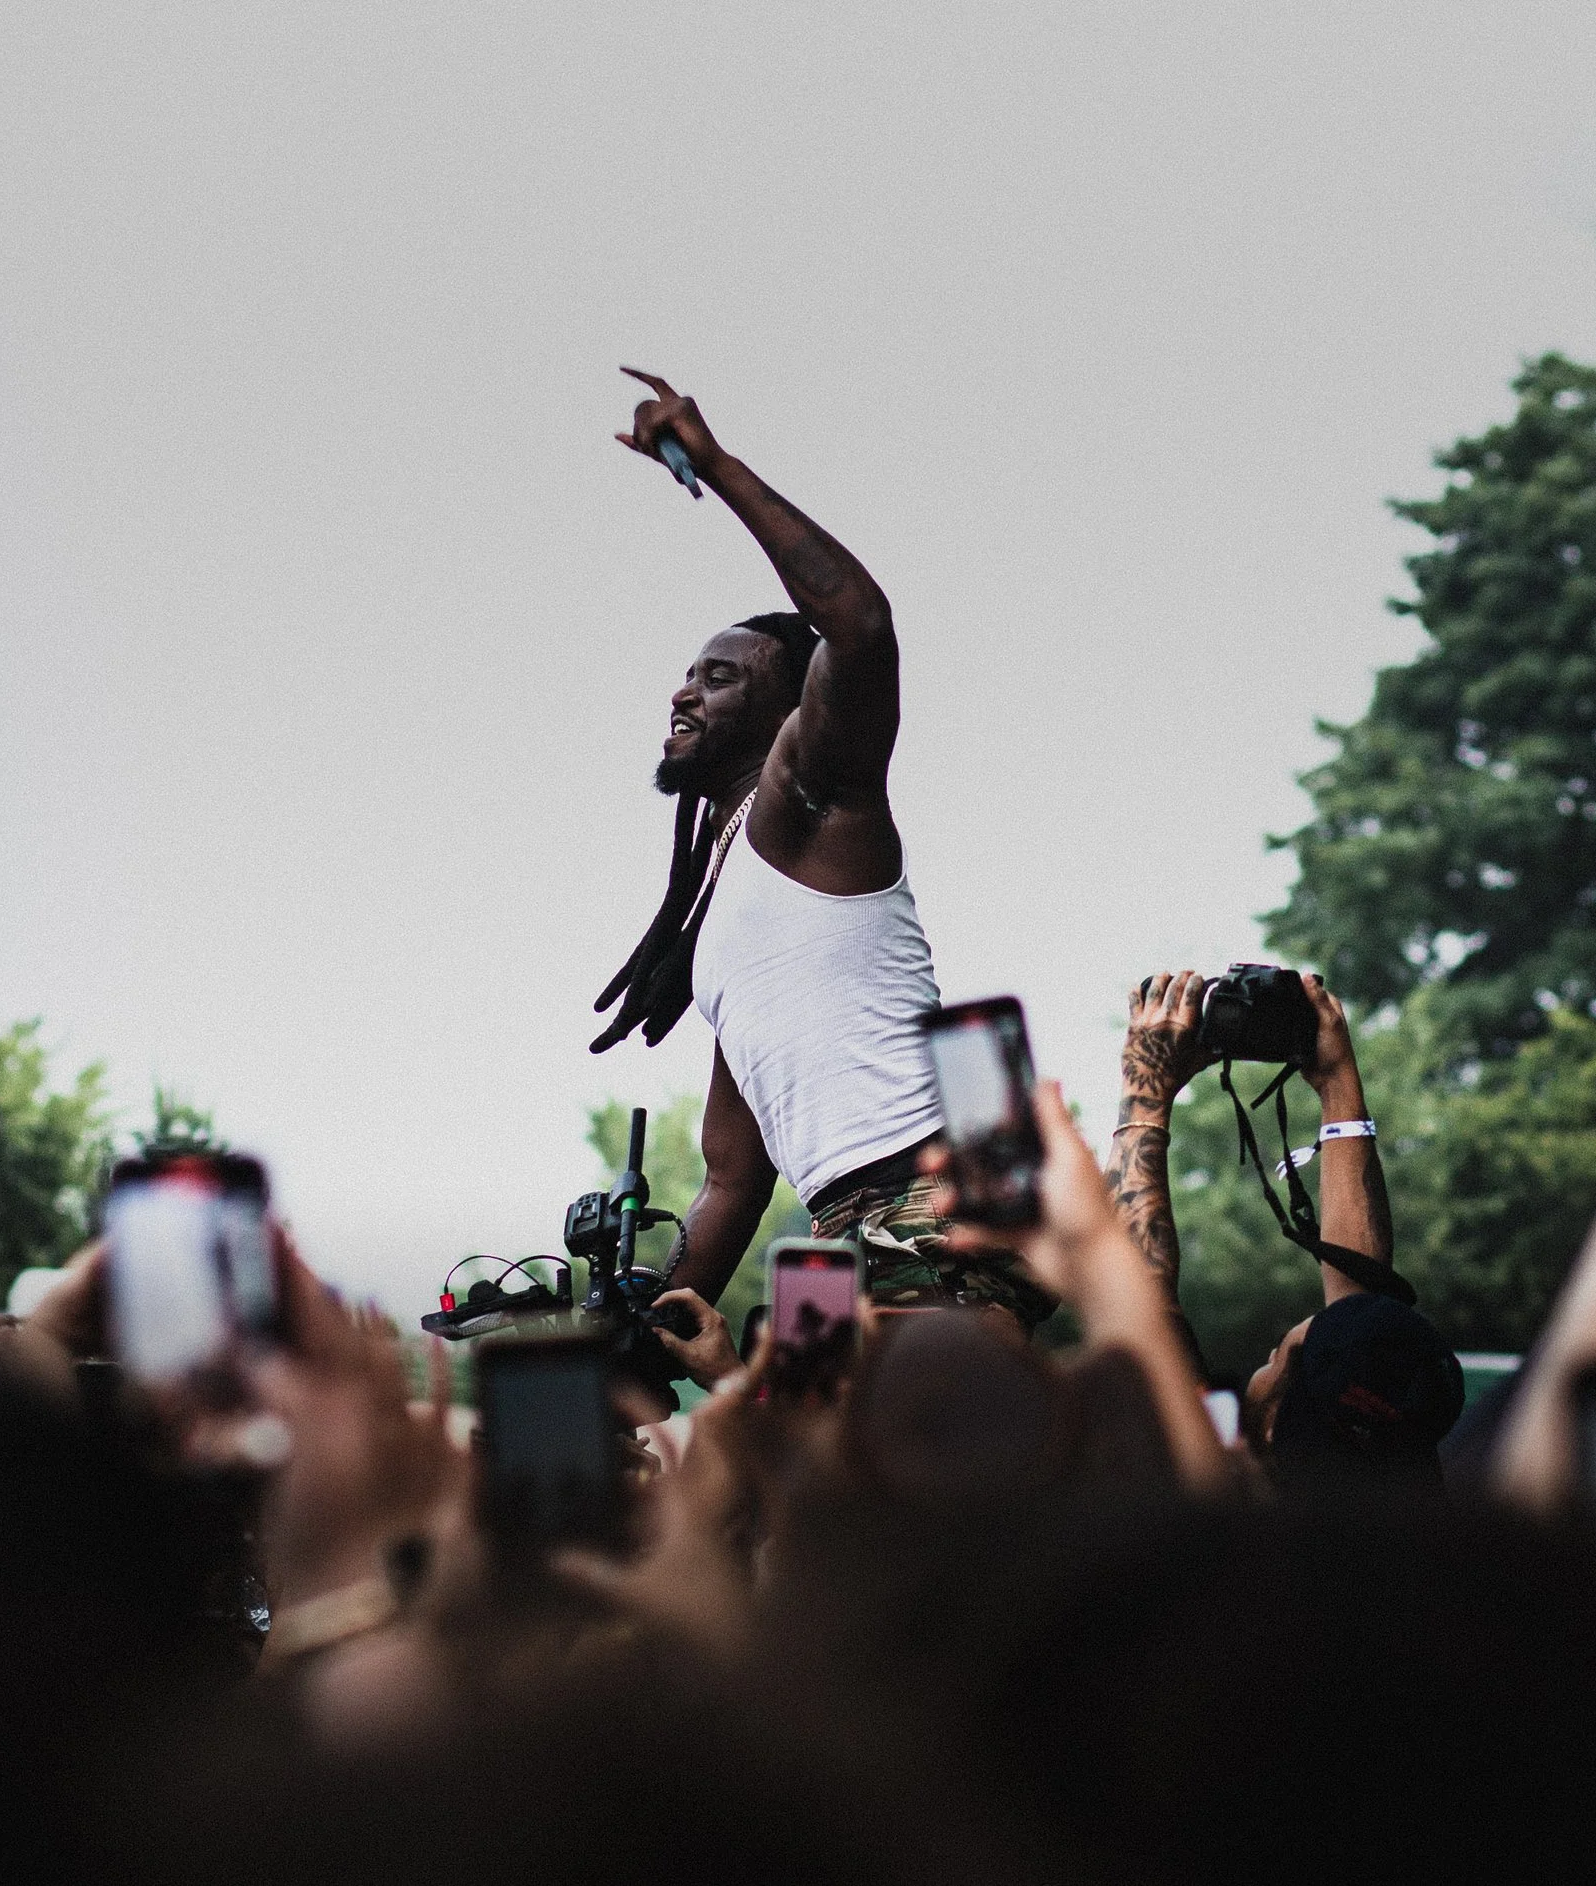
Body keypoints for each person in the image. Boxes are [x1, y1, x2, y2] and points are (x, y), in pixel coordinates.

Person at [598, 374, 1043, 1329]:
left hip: (939, 1201)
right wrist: (636, 1335)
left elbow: (864, 624)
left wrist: (712, 465)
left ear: (792, 707)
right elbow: (729, 1177)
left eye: (718, 676)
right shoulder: (718, 912)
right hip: (847, 1224)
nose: (684, 693)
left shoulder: (808, 798)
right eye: (685, 675)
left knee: (896, 1464)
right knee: (782, 1454)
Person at [1104, 964, 1463, 1477]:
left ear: (1272, 1427)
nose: (1272, 1352)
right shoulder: (1400, 1503)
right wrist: (1338, 1083)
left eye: (1280, 1355)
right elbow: (1360, 1328)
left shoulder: (1207, 1511)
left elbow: (1141, 1298)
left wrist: (1146, 1090)